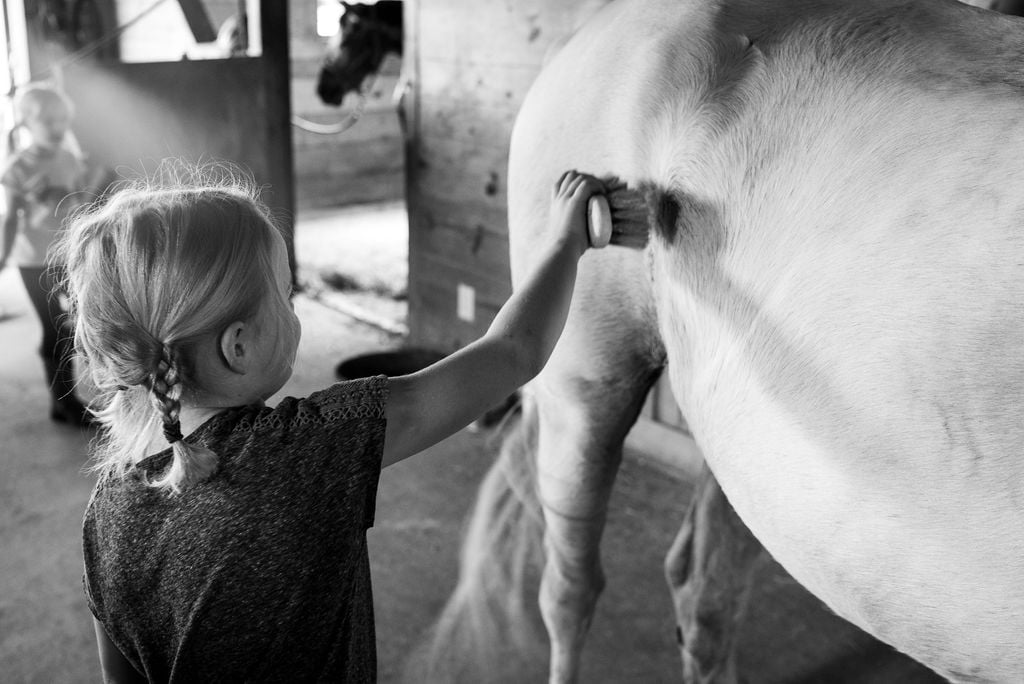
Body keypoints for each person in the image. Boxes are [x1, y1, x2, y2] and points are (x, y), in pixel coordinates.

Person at [55, 164, 612, 682]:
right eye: (286, 294)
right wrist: (565, 242)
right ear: (239, 346)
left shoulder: (106, 514)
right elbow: (513, 352)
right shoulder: (309, 451)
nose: (294, 311)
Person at [0, 83, 91, 425]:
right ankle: (64, 403)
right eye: (48, 122)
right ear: (27, 123)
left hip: (67, 255)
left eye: (62, 121)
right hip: (34, 261)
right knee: (55, 331)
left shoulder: (69, 159)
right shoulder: (17, 168)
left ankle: (75, 394)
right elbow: (10, 218)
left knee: (83, 319)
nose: (57, 128)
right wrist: (3, 257)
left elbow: (79, 204)